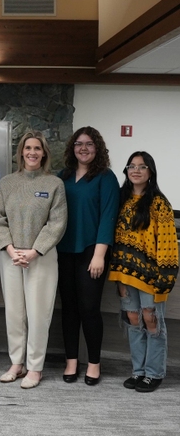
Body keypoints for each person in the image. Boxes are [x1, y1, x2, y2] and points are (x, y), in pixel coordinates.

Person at [0, 131, 67, 389]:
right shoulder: (7, 183)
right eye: (27, 148)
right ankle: (16, 363)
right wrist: (11, 250)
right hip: (11, 256)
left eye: (37, 148)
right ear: (21, 152)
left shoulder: (54, 184)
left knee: (38, 314)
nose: (32, 152)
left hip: (41, 257)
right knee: (14, 313)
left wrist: (34, 251)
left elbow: (57, 224)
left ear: (44, 153)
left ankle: (35, 367)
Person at [108, 152, 178, 393]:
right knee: (133, 322)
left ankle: (154, 373)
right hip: (124, 274)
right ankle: (138, 371)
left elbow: (168, 243)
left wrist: (165, 279)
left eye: (142, 166)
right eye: (132, 166)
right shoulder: (121, 200)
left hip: (151, 276)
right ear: (127, 171)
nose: (136, 170)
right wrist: (116, 275)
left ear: (151, 172)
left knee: (152, 321)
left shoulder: (159, 203)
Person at [57, 127, 119, 386]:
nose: (84, 148)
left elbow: (108, 217)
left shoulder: (106, 177)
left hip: (92, 253)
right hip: (63, 251)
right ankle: (72, 360)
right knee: (69, 309)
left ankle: (94, 363)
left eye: (89, 144)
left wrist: (100, 255)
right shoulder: (63, 176)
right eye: (79, 144)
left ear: (98, 148)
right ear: (73, 148)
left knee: (90, 309)